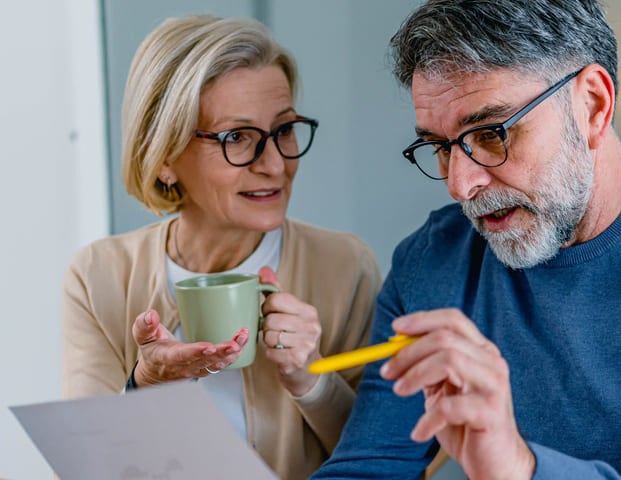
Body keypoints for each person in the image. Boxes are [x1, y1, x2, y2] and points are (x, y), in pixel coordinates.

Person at [313, 1, 621, 479]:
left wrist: (520, 467)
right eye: (440, 147)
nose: (460, 185)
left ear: (592, 105)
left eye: (492, 133)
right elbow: (368, 468)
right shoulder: (432, 260)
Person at [61, 15, 381, 480]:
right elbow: (80, 471)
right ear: (164, 156)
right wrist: (145, 385)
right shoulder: (99, 275)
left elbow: (392, 464)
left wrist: (312, 381)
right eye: (237, 137)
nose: (275, 165)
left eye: (284, 130)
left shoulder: (345, 267)